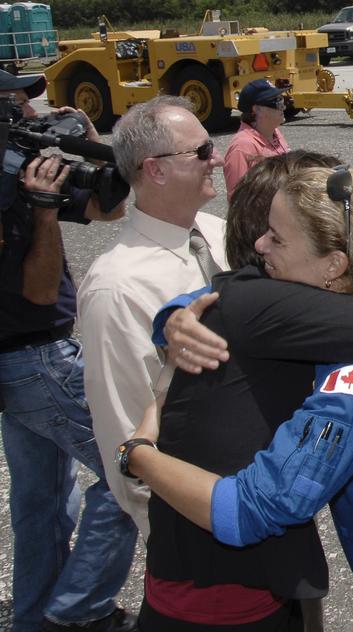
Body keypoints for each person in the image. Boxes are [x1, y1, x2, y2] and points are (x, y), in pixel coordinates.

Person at [123, 165, 353, 631]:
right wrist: (175, 316)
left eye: (277, 238)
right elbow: (232, 295)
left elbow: (251, 510)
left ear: (333, 266)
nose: (260, 245)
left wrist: (137, 454)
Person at [0, 71, 138, 632]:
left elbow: (109, 210)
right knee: (131, 476)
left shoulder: (20, 167)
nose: (33, 110)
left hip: (22, 365)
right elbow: (35, 290)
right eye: (19, 103)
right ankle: (76, 612)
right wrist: (43, 209)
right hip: (36, 358)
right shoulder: (15, 185)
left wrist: (92, 148)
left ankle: (34, 620)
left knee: (41, 507)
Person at [79, 95, 229, 536]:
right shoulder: (118, 287)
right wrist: (167, 537)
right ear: (156, 169)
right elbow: (125, 434)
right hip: (194, 526)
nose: (216, 160)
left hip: (248, 492)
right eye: (200, 151)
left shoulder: (217, 233)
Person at [222, 79, 291, 197]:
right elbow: (238, 199)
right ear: (256, 109)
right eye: (277, 101)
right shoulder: (242, 147)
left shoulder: (274, 133)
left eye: (282, 99)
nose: (283, 106)